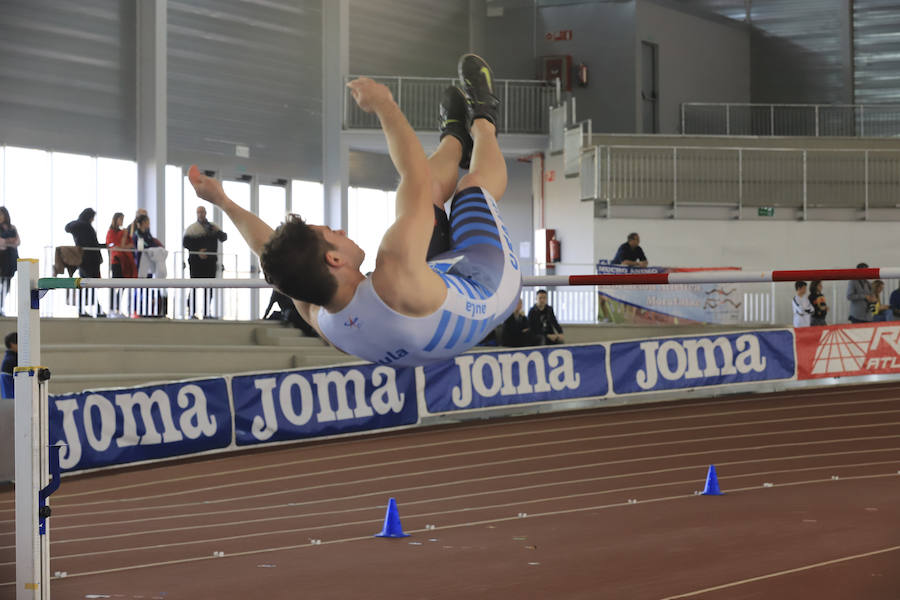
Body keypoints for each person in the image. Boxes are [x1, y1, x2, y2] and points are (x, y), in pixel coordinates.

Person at [188, 54, 520, 366]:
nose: (341, 231)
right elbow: (414, 173)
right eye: (332, 233)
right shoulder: (393, 272)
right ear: (335, 260)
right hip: (486, 284)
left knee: (427, 198)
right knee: (468, 189)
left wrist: (224, 202)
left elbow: (266, 250)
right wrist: (384, 105)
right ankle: (483, 122)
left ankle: (454, 137)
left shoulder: (324, 318)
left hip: (428, 299)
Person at [183, 206, 228, 318]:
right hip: (196, 263)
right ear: (196, 214)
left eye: (202, 212)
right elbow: (186, 243)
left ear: (205, 213)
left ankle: (207, 313)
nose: (201, 214)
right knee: (194, 286)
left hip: (210, 263)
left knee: (209, 288)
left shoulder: (213, 227)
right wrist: (198, 251)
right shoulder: (192, 229)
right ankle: (191, 313)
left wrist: (216, 231)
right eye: (198, 212)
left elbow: (223, 237)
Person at [65, 208, 104, 317]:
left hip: (82, 260)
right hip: (91, 259)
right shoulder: (87, 227)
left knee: (86, 285)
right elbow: (92, 243)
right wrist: (104, 246)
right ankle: (95, 309)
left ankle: (88, 309)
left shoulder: (76, 226)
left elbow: (67, 227)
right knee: (91, 285)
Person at [106, 212, 137, 317]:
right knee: (115, 285)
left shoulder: (123, 232)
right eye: (120, 219)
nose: (122, 221)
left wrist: (123, 244)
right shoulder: (112, 232)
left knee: (123, 285)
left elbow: (130, 245)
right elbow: (114, 246)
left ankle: (117, 307)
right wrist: (122, 243)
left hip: (126, 261)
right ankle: (112, 308)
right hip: (117, 261)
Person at [0, 208, 20, 316]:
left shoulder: (12, 227)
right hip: (1, 259)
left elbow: (17, 242)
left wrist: (6, 242)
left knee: (6, 285)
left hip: (11, 259)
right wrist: (9, 241)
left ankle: (1, 306)